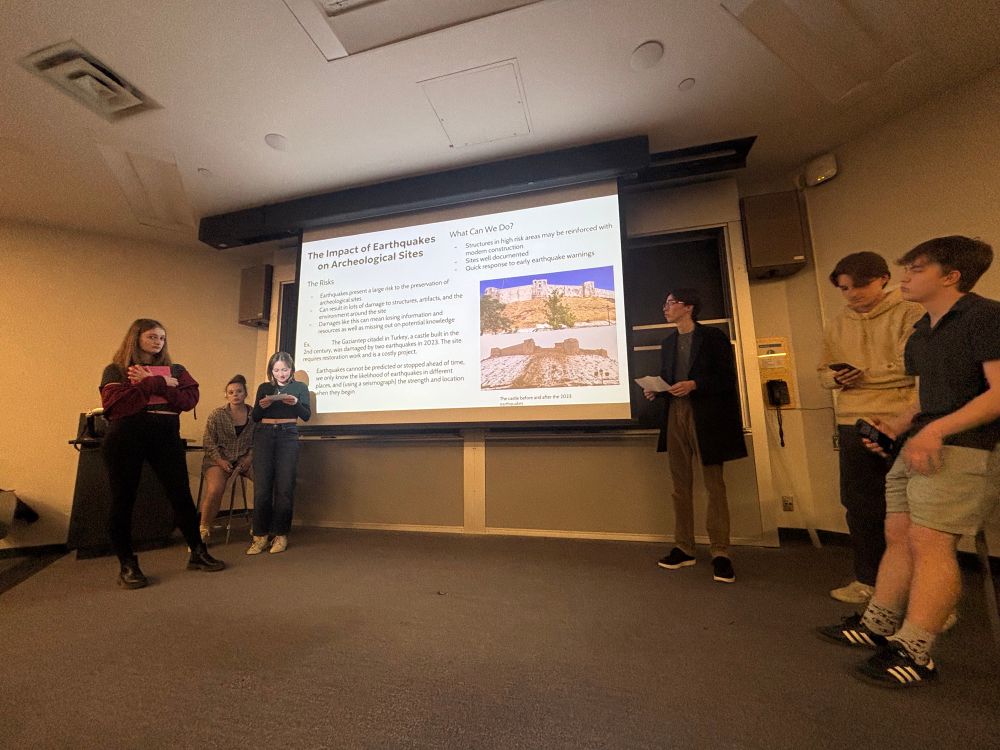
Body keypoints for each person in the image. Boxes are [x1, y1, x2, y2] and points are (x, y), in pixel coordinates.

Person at [818, 236, 1000, 688]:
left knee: (930, 542)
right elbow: (924, 397)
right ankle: (878, 623)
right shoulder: (923, 331)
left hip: (962, 445)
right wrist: (895, 428)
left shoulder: (985, 316)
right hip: (918, 440)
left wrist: (936, 431)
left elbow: (998, 394)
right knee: (897, 533)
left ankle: (916, 650)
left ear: (951, 276)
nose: (904, 277)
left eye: (916, 269)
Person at [818, 252, 923, 604]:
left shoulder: (910, 311)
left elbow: (910, 366)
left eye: (859, 286)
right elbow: (823, 374)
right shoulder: (837, 322)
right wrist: (837, 378)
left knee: (911, 505)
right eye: (844, 288)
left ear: (882, 278)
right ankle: (868, 580)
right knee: (860, 504)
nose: (852, 295)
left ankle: (918, 588)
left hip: (900, 419)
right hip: (853, 421)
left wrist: (863, 376)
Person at [99, 318, 225, 589]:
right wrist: (161, 383)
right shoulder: (116, 370)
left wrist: (149, 382)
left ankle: (198, 552)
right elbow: (118, 405)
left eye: (162, 338)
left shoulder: (177, 370)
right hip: (125, 438)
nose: (158, 342)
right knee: (123, 500)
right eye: (152, 337)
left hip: (165, 438)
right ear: (136, 338)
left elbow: (188, 400)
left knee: (181, 496)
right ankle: (127, 565)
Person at [644, 288, 747, 583]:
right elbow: (669, 379)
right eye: (665, 303)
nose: (665, 308)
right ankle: (684, 547)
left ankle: (721, 552)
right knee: (679, 486)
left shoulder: (712, 337)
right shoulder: (668, 342)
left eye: (670, 303)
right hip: (675, 414)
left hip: (706, 416)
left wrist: (695, 384)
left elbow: (726, 377)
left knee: (715, 486)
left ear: (688, 307)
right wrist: (657, 390)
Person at [247, 352, 311, 555]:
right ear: (271, 371)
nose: (281, 374)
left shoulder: (300, 388)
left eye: (284, 369)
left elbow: (306, 416)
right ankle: (260, 536)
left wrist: (296, 403)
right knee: (262, 489)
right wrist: (261, 406)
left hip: (288, 434)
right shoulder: (264, 388)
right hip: (264, 434)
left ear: (291, 369)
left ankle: (281, 534)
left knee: (284, 487)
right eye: (276, 370)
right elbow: (255, 417)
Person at [199, 374, 257, 542]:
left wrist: (249, 458)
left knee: (265, 483)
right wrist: (220, 461)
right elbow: (208, 442)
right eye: (231, 392)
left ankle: (260, 526)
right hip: (218, 459)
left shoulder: (255, 415)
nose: (235, 395)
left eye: (239, 391)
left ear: (245, 393)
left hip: (245, 459)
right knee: (215, 489)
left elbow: (258, 440)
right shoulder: (217, 415)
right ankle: (204, 528)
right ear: (226, 395)